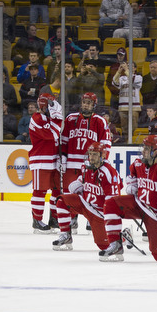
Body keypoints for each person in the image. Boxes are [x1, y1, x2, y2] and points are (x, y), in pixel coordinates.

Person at [104, 134, 157, 262]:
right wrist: (132, 185)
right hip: (140, 205)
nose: (143, 151)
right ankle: (115, 244)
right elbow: (132, 173)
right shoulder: (139, 163)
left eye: (147, 148)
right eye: (143, 147)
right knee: (111, 204)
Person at [57, 92, 112, 236]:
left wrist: (101, 163)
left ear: (94, 105)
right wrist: (62, 157)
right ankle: (72, 218)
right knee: (70, 193)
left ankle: (92, 217)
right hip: (70, 165)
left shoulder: (100, 121)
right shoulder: (70, 119)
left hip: (90, 165)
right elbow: (64, 140)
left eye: (89, 102)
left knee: (91, 192)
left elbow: (106, 144)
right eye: (84, 102)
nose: (85, 105)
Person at [53, 142, 122, 252]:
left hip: (99, 213)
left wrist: (108, 218)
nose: (91, 157)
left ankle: (123, 238)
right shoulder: (86, 167)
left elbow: (113, 199)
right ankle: (65, 235)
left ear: (102, 155)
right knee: (62, 200)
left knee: (103, 246)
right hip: (85, 204)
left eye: (94, 154)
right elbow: (84, 179)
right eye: (90, 154)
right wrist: (78, 183)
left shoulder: (108, 172)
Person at [28, 91, 62, 232]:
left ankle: (54, 219)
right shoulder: (36, 118)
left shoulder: (49, 118)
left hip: (54, 160)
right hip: (41, 160)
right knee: (40, 191)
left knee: (56, 191)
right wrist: (58, 119)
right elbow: (53, 134)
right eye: (51, 104)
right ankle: (37, 221)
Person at [112, 60, 142, 136]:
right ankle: (125, 142)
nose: (128, 68)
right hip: (123, 106)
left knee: (134, 127)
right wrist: (118, 71)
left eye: (130, 66)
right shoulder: (122, 78)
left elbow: (132, 80)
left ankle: (133, 142)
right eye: (127, 66)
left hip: (134, 107)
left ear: (135, 68)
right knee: (124, 128)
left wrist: (126, 70)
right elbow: (115, 83)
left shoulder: (139, 77)